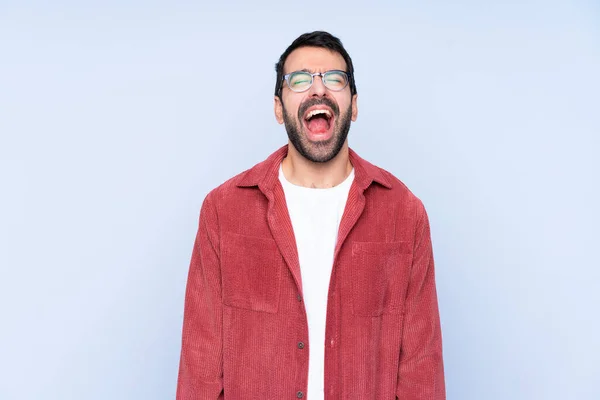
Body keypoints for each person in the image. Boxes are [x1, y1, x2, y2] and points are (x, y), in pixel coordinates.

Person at [176, 31, 445, 400]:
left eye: (334, 78)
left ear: (353, 104)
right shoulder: (223, 212)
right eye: (299, 80)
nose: (318, 89)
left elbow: (421, 371)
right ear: (277, 107)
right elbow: (200, 369)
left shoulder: (404, 213)